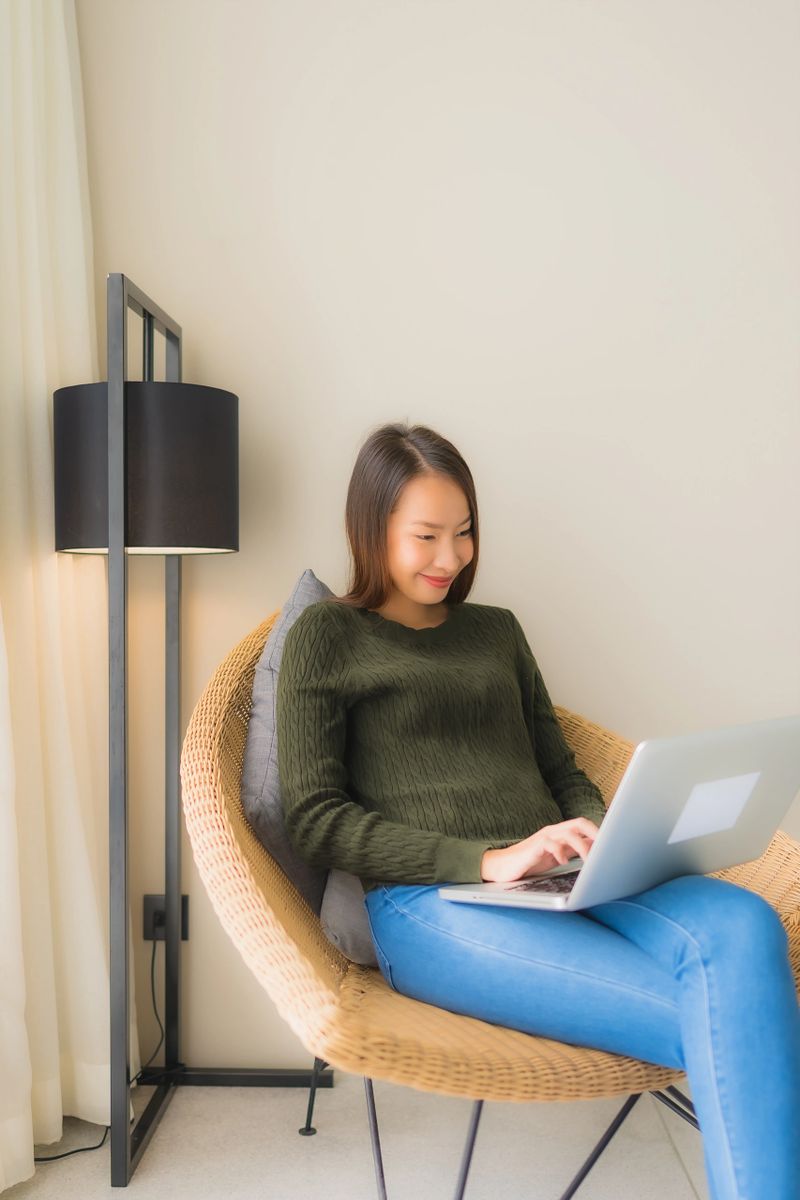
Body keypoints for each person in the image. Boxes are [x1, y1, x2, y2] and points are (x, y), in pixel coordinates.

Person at [276, 422, 800, 1200]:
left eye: (464, 533)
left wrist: (598, 834)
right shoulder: (328, 636)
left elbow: (562, 767)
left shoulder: (497, 632)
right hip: (434, 907)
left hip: (570, 874)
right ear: (371, 527)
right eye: (425, 536)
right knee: (734, 1015)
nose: (450, 559)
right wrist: (486, 862)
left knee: (746, 925)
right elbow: (314, 819)